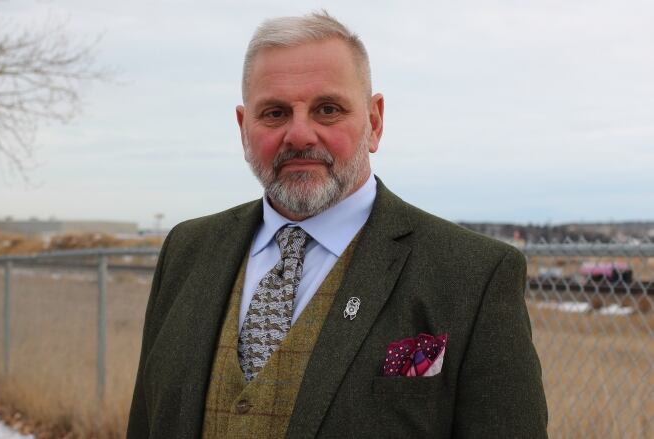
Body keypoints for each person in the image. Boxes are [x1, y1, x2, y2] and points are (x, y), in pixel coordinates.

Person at [127, 11, 547, 439]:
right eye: (274, 113)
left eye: (328, 109)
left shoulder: (473, 274)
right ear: (243, 128)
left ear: (375, 122)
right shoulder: (187, 250)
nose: (300, 135)